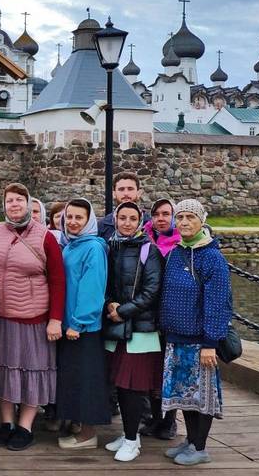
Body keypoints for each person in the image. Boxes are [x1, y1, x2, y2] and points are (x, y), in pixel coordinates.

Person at [0, 183, 66, 452]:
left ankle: (25, 425)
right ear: (3, 205)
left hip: (34, 317)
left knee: (32, 370)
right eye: (9, 200)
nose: (14, 204)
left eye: (19, 199)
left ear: (29, 204)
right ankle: (6, 422)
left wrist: (55, 318)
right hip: (0, 316)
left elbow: (57, 279)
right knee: (5, 370)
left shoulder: (45, 236)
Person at [160, 199, 231, 467]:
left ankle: (200, 447)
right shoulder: (177, 252)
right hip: (176, 337)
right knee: (185, 396)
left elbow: (218, 302)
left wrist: (210, 342)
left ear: (202, 220)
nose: (185, 222)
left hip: (200, 342)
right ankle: (190, 441)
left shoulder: (212, 257)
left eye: (191, 217)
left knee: (201, 396)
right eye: (180, 218)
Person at [103, 201, 164, 462]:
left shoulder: (149, 250)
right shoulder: (112, 247)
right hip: (118, 327)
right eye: (122, 218)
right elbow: (106, 283)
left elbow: (152, 291)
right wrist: (109, 304)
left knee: (133, 388)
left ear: (140, 222)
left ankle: (131, 440)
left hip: (140, 330)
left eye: (132, 218)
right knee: (120, 386)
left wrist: (123, 311)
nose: (126, 223)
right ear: (115, 220)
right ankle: (130, 435)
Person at [55, 198, 110, 450]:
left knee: (87, 381)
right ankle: (79, 426)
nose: (73, 222)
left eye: (79, 218)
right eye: (70, 217)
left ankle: (88, 434)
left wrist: (79, 322)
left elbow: (92, 289)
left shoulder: (93, 248)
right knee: (74, 379)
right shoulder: (70, 245)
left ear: (89, 221)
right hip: (69, 325)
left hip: (83, 328)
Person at [140, 198, 180, 440]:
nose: (161, 218)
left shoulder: (180, 245)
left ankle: (169, 421)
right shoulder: (145, 241)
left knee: (169, 371)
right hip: (149, 317)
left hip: (171, 317)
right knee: (153, 371)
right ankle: (155, 418)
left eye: (166, 214)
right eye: (157, 214)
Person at [97, 172, 145, 239]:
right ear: (114, 194)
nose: (126, 193)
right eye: (121, 189)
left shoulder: (150, 224)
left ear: (138, 193)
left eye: (130, 189)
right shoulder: (102, 226)